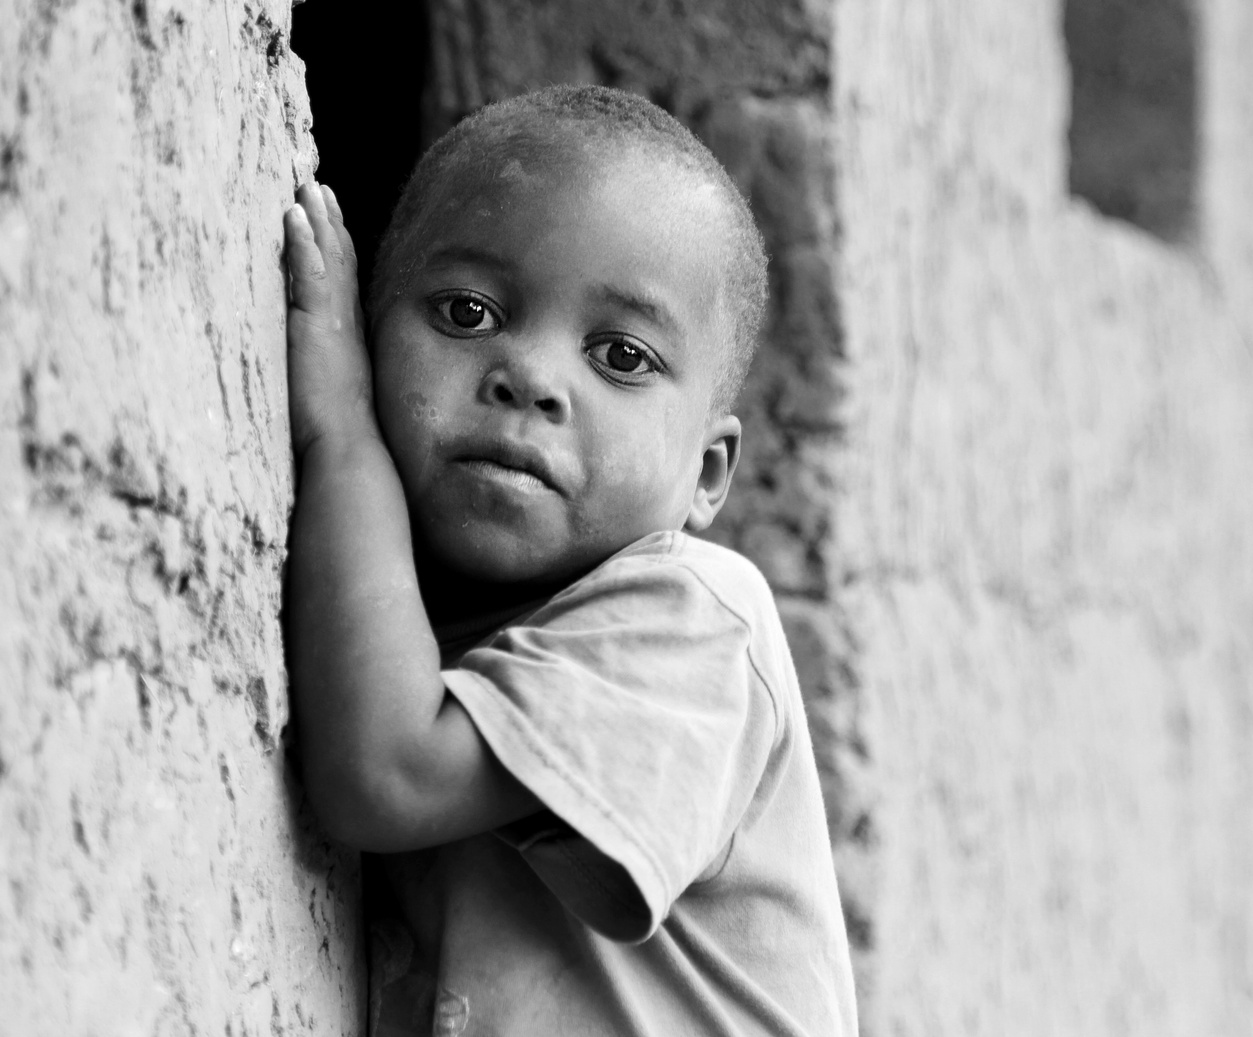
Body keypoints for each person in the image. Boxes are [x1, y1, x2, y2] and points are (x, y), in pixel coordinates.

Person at [282, 84, 857, 1036]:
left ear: (706, 474)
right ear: (369, 327)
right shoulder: (394, 610)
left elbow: (385, 773)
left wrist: (341, 429)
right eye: (466, 311)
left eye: (622, 355)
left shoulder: (697, 619)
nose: (532, 377)